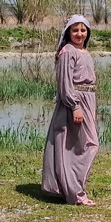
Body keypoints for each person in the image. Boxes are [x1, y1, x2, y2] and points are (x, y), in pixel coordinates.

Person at [42, 14, 99, 206]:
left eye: (83, 30)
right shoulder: (67, 52)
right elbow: (65, 83)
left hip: (87, 100)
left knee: (83, 145)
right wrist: (75, 106)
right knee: (79, 146)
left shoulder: (83, 51)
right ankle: (75, 193)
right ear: (68, 32)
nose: (79, 34)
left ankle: (73, 188)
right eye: (75, 30)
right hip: (75, 103)